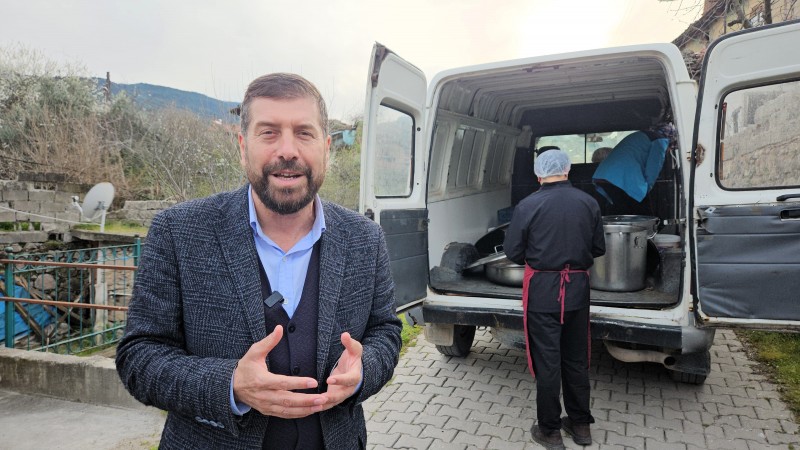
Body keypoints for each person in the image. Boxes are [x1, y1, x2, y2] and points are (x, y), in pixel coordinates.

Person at [116, 73, 403, 450]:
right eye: (269, 133)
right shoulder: (178, 231)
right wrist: (230, 384)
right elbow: (139, 356)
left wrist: (363, 370)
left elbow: (386, 331)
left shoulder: (365, 238)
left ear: (326, 148)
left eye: (304, 133)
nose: (288, 150)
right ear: (243, 147)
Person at [503, 150, 605, 449]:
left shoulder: (527, 205)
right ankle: (581, 426)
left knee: (548, 363)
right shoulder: (588, 202)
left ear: (538, 174)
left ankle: (550, 431)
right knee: (576, 359)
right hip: (577, 291)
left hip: (542, 292)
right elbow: (598, 248)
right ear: (567, 170)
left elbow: (513, 251)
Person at [592, 123, 677, 215]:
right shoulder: (660, 141)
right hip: (622, 178)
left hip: (604, 175)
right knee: (643, 213)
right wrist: (645, 192)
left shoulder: (640, 135)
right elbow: (653, 169)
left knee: (620, 211)